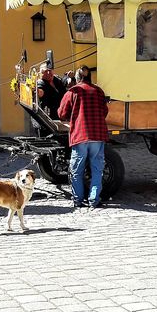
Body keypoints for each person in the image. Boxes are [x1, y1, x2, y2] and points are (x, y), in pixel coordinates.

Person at [57, 66, 109, 209]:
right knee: (97, 170)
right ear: (90, 76)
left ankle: (78, 200)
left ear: (78, 78)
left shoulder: (73, 91)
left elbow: (61, 114)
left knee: (76, 171)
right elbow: (104, 111)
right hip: (97, 135)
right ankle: (94, 200)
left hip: (80, 136)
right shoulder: (99, 91)